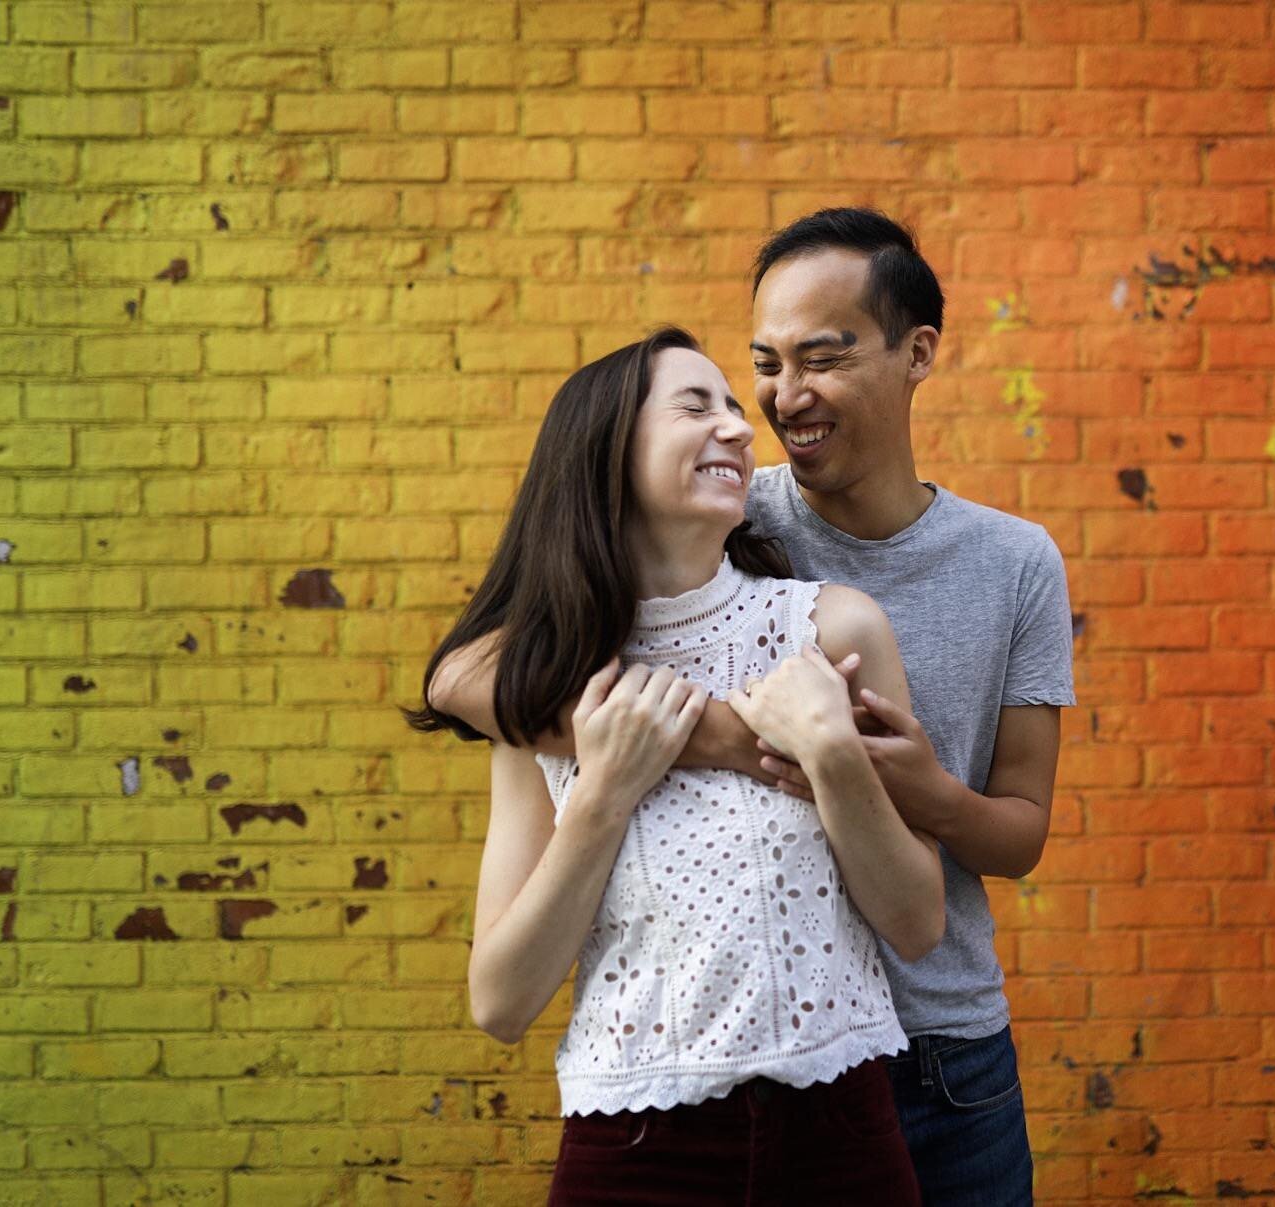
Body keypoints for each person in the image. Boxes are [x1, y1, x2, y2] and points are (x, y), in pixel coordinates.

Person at [435, 209, 1076, 1206]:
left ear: (917, 354)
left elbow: (1019, 834)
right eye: (764, 364)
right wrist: (724, 738)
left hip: (939, 1045)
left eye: (820, 357)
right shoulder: (723, 509)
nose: (776, 401)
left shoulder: (1009, 562)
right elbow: (464, 677)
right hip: (694, 1078)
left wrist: (895, 778)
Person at [405, 326, 943, 1206]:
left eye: (735, 407)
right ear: (606, 453)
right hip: (634, 1145)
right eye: (696, 405)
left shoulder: (833, 634)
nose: (737, 427)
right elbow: (499, 1001)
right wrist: (603, 796)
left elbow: (918, 921)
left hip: (841, 1133)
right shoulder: (545, 697)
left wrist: (836, 757)